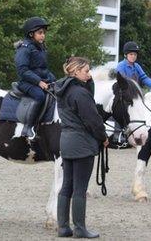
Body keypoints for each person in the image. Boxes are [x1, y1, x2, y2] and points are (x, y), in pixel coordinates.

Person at [53, 57, 108, 238]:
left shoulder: (63, 90)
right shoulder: (79, 93)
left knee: (67, 185)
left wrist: (89, 81)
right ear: (75, 72)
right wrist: (103, 137)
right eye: (86, 71)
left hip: (66, 141)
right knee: (80, 188)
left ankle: (63, 227)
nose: (89, 73)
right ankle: (80, 228)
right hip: (82, 143)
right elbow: (92, 119)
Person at [14, 16, 56, 138]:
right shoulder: (24, 49)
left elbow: (43, 69)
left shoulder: (40, 48)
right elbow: (22, 70)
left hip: (40, 81)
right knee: (39, 95)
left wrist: (54, 80)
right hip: (26, 82)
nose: (43, 35)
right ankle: (28, 127)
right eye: (40, 33)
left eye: (44, 33)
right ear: (31, 34)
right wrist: (38, 82)